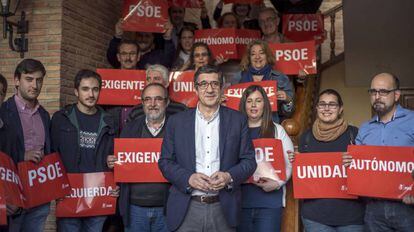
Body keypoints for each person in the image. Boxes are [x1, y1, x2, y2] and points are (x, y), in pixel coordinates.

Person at [158, 65, 257, 231]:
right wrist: (188, 178)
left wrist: (228, 176)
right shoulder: (176, 122)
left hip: (224, 208)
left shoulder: (237, 120)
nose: (209, 89)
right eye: (203, 84)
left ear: (221, 87)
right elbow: (165, 162)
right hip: (186, 208)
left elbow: (249, 161)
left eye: (214, 84)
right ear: (196, 89)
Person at [343, 73, 414, 232]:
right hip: (373, 209)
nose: (377, 96)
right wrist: (350, 162)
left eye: (383, 92)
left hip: (407, 207)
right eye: (373, 92)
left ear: (396, 95)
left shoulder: (412, 121)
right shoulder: (365, 128)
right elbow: (358, 166)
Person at [289, 89, 365, 232]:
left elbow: (368, 169)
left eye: (332, 104)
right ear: (317, 108)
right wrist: (296, 162)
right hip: (316, 217)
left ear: (341, 108)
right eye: (322, 104)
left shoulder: (355, 134)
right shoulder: (305, 137)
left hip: (352, 217)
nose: (327, 108)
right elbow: (303, 178)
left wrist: (357, 162)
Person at [51, 69, 117, 231]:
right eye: (85, 89)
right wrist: (54, 188)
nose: (91, 94)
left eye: (95, 89)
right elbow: (52, 155)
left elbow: (117, 157)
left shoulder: (109, 121)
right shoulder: (61, 118)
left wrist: (115, 174)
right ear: (76, 91)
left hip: (98, 193)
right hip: (69, 193)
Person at [107, 83, 170, 232]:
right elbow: (121, 164)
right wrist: (114, 163)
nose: (152, 104)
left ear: (167, 102)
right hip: (134, 209)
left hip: (168, 208)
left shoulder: (177, 128)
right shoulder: (130, 128)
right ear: (142, 103)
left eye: (158, 99)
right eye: (147, 99)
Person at [0, 59, 51, 232]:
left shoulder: (44, 115)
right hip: (12, 196)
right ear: (16, 80)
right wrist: (22, 155)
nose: (35, 85)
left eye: (39, 80)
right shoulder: (3, 111)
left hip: (39, 196)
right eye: (29, 79)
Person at [238, 85, 293, 232]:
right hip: (240, 202)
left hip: (270, 203)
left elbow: (290, 163)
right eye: (249, 101)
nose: (254, 105)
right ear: (244, 105)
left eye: (258, 100)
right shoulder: (235, 130)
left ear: (265, 104)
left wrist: (278, 183)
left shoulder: (277, 130)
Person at [238, 40, 294, 123]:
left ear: (267, 56)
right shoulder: (239, 77)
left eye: (261, 53)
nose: (257, 57)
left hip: (270, 124)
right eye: (253, 54)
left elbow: (288, 113)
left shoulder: (280, 78)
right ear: (249, 58)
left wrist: (287, 100)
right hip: (244, 125)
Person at [106, 19, 175, 69]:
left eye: (147, 36)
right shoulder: (123, 57)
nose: (143, 39)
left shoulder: (159, 56)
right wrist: (118, 35)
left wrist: (168, 36)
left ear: (153, 38)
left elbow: (169, 59)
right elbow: (111, 57)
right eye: (140, 35)